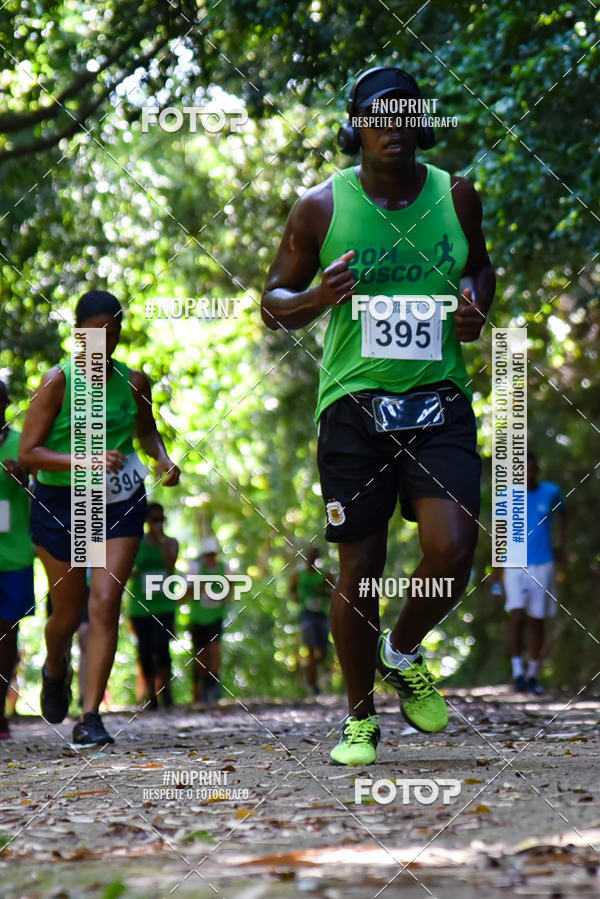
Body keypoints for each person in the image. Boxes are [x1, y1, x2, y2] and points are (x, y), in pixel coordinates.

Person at [262, 66, 495, 765]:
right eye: (378, 115)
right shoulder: (320, 208)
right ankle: (359, 717)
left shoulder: (456, 195)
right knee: (358, 568)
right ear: (355, 125)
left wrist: (475, 303)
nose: (394, 125)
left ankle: (402, 649)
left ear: (424, 123)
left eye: (407, 114)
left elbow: (481, 267)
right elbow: (272, 300)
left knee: (453, 548)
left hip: (438, 400)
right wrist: (316, 299)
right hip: (353, 409)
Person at [19, 290, 180, 746]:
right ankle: (55, 669)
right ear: (78, 335)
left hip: (119, 499)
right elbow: (29, 453)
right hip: (61, 504)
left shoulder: (134, 381)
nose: (104, 343)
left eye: (112, 333)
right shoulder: (57, 382)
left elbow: (146, 433)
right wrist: (85, 460)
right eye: (94, 333)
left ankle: (91, 717)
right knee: (67, 616)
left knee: (105, 604)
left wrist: (163, 460)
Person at [499, 452, 566, 694]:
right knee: (517, 617)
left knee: (537, 620)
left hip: (543, 562)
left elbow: (563, 516)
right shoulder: (507, 496)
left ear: (538, 469)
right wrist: (495, 573)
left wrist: (560, 543)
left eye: (532, 469)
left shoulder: (551, 492)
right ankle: (517, 672)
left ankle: (532, 675)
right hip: (514, 564)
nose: (528, 474)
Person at [0, 380, 36, 740]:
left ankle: (1, 713)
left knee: (7, 633)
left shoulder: (23, 443)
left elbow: (46, 492)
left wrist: (24, 478)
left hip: (15, 554)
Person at [129, 502, 179, 709]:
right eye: (153, 519)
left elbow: (170, 564)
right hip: (141, 606)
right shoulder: (136, 542)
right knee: (145, 650)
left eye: (160, 519)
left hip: (164, 604)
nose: (156, 523)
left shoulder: (171, 542)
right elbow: (129, 568)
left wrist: (161, 539)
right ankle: (151, 693)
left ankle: (166, 689)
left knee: (162, 647)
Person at [188, 536, 228, 704]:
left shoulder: (224, 568)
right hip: (198, 618)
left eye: (213, 554)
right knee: (200, 654)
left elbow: (229, 591)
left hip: (215, 617)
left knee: (214, 648)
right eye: (208, 554)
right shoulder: (195, 569)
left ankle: (214, 683)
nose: (211, 558)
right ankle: (203, 685)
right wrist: (201, 587)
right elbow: (185, 593)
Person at [290, 548, 333, 694]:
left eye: (314, 557)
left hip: (321, 614)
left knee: (323, 650)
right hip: (306, 614)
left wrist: (321, 592)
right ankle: (312, 683)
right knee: (310, 647)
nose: (310, 559)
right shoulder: (298, 575)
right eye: (309, 557)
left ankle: (310, 670)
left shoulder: (324, 575)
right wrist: (296, 598)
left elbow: (334, 591)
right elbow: (292, 590)